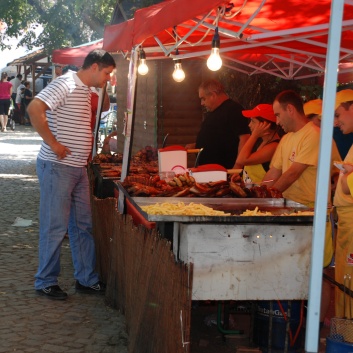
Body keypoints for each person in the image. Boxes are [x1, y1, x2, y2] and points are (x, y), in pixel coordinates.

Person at [27, 49, 116, 300]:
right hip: (57, 166)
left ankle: (86, 279)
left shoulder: (88, 90)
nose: (108, 78)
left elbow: (107, 106)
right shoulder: (65, 83)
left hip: (78, 168)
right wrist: (54, 143)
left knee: (82, 226)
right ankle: (45, 280)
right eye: (107, 73)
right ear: (96, 66)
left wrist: (106, 85)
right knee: (54, 226)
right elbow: (35, 109)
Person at [185, 79, 250, 169]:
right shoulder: (216, 111)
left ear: (213, 95)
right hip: (209, 169)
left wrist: (238, 166)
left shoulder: (234, 110)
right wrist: (196, 145)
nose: (202, 103)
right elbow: (219, 138)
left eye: (203, 99)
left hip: (225, 170)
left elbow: (244, 138)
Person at [332, 89, 353, 317]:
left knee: (349, 284)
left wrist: (347, 175)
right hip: (346, 225)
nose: (336, 123)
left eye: (338, 115)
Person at [235, 104, 281, 184]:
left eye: (253, 121)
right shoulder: (264, 141)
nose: (249, 125)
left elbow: (241, 160)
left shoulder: (273, 147)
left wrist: (254, 135)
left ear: (265, 124)